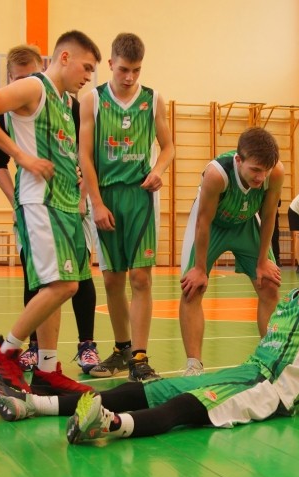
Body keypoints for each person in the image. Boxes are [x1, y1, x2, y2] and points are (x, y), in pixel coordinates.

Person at [0, 258, 299, 444]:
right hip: (248, 373)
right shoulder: (297, 297)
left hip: (265, 389)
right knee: (151, 390)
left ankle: (110, 426)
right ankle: (33, 405)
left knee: (186, 406)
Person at [0, 30, 102, 394]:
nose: (89, 76)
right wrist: (21, 156)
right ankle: (6, 352)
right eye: (87, 67)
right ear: (65, 58)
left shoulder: (65, 101)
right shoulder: (33, 87)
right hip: (40, 202)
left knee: (58, 286)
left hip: (65, 206)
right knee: (64, 285)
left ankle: (46, 369)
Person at [78, 33, 174, 382]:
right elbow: (84, 155)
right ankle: (122, 349)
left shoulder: (153, 99)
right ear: (110, 65)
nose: (130, 77)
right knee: (112, 278)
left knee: (141, 278)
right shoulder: (92, 100)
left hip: (140, 197)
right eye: (123, 70)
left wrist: (158, 170)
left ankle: (140, 357)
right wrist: (96, 202)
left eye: (136, 70)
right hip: (106, 196)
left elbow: (168, 147)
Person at [179, 127, 284, 376]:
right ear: (238, 160)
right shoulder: (217, 174)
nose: (260, 177)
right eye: (255, 170)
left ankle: (273, 364)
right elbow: (203, 222)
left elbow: (269, 215)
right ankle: (194, 366)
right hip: (212, 225)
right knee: (193, 288)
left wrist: (262, 261)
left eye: (265, 171)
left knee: (269, 284)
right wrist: (199, 268)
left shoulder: (275, 172)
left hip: (245, 224)